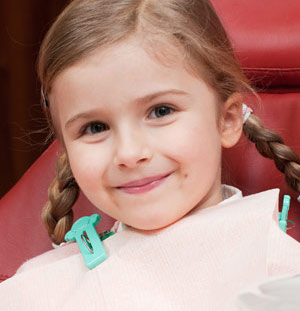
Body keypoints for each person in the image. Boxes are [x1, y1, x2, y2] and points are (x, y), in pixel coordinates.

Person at [1, 0, 300, 310]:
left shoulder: (279, 274)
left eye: (160, 111)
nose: (129, 154)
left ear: (227, 120)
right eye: (95, 127)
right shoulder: (37, 289)